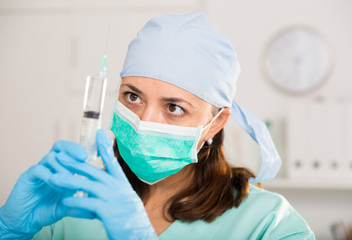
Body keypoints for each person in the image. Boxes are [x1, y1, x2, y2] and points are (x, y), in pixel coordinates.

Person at [0, 12, 315, 239]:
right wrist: (9, 230)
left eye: (174, 107)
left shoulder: (269, 225)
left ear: (215, 123)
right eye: (133, 97)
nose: (144, 121)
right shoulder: (71, 205)